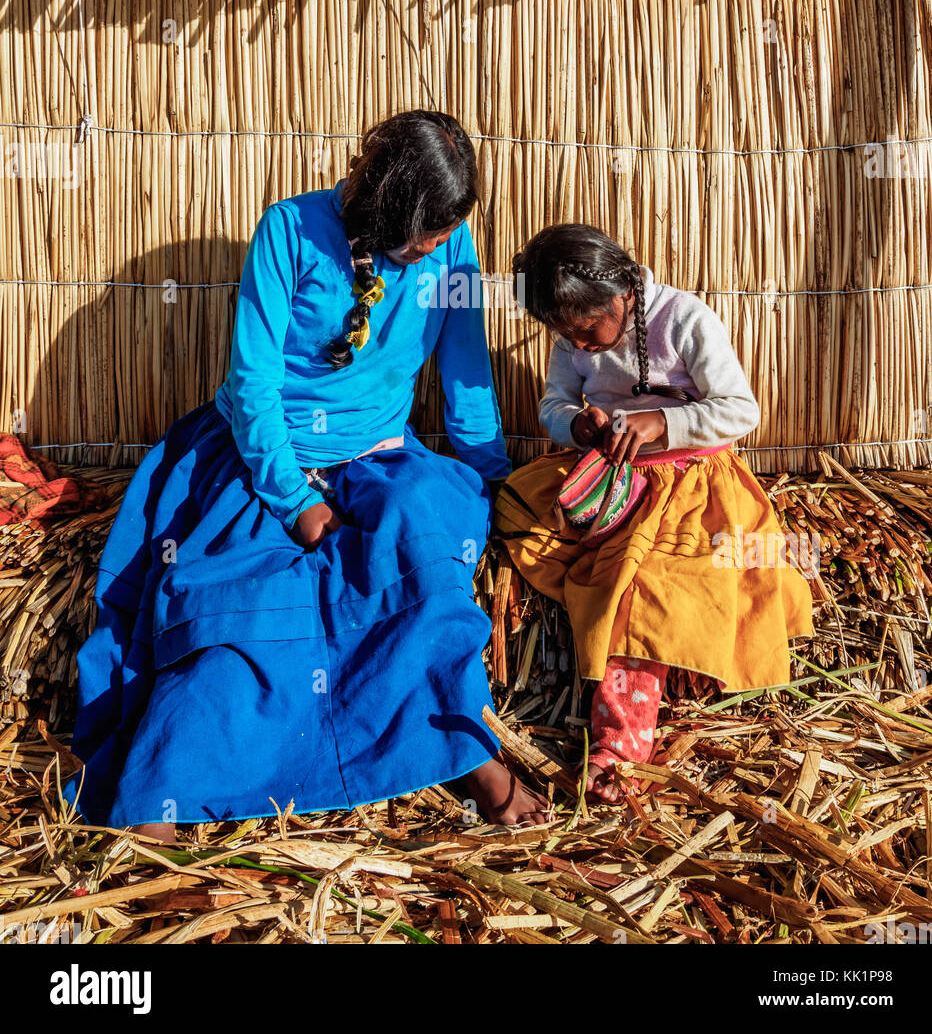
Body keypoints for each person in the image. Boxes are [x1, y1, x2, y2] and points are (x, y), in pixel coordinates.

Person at [63, 110, 551, 837]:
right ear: (388, 213)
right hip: (263, 455)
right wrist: (293, 500)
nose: (443, 245)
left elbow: (465, 374)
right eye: (431, 234)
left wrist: (490, 481)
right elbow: (253, 386)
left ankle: (467, 752)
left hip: (381, 456)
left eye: (449, 231)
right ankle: (166, 782)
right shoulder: (288, 232)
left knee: (425, 567)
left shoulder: (450, 250)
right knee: (237, 604)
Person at [493, 224, 815, 804]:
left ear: (622, 293)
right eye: (568, 335)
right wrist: (575, 421)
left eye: (589, 330)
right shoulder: (572, 333)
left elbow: (741, 409)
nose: (582, 345)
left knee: (643, 591)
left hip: (690, 483)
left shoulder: (685, 319)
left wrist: (664, 424)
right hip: (608, 476)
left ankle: (619, 750)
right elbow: (554, 402)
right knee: (516, 507)